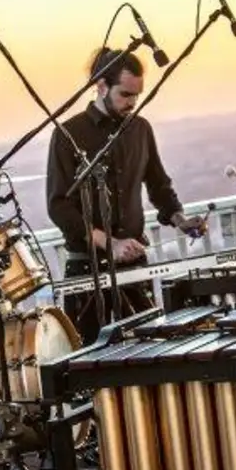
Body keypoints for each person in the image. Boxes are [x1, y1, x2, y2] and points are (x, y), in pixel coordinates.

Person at [46, 48, 207, 344]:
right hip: (87, 270)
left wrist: (181, 220)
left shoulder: (139, 129)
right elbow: (59, 207)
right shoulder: (68, 135)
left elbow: (159, 185)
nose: (132, 103)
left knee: (149, 353)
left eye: (137, 95)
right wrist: (109, 242)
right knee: (91, 366)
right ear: (101, 86)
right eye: (125, 95)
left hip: (133, 269)